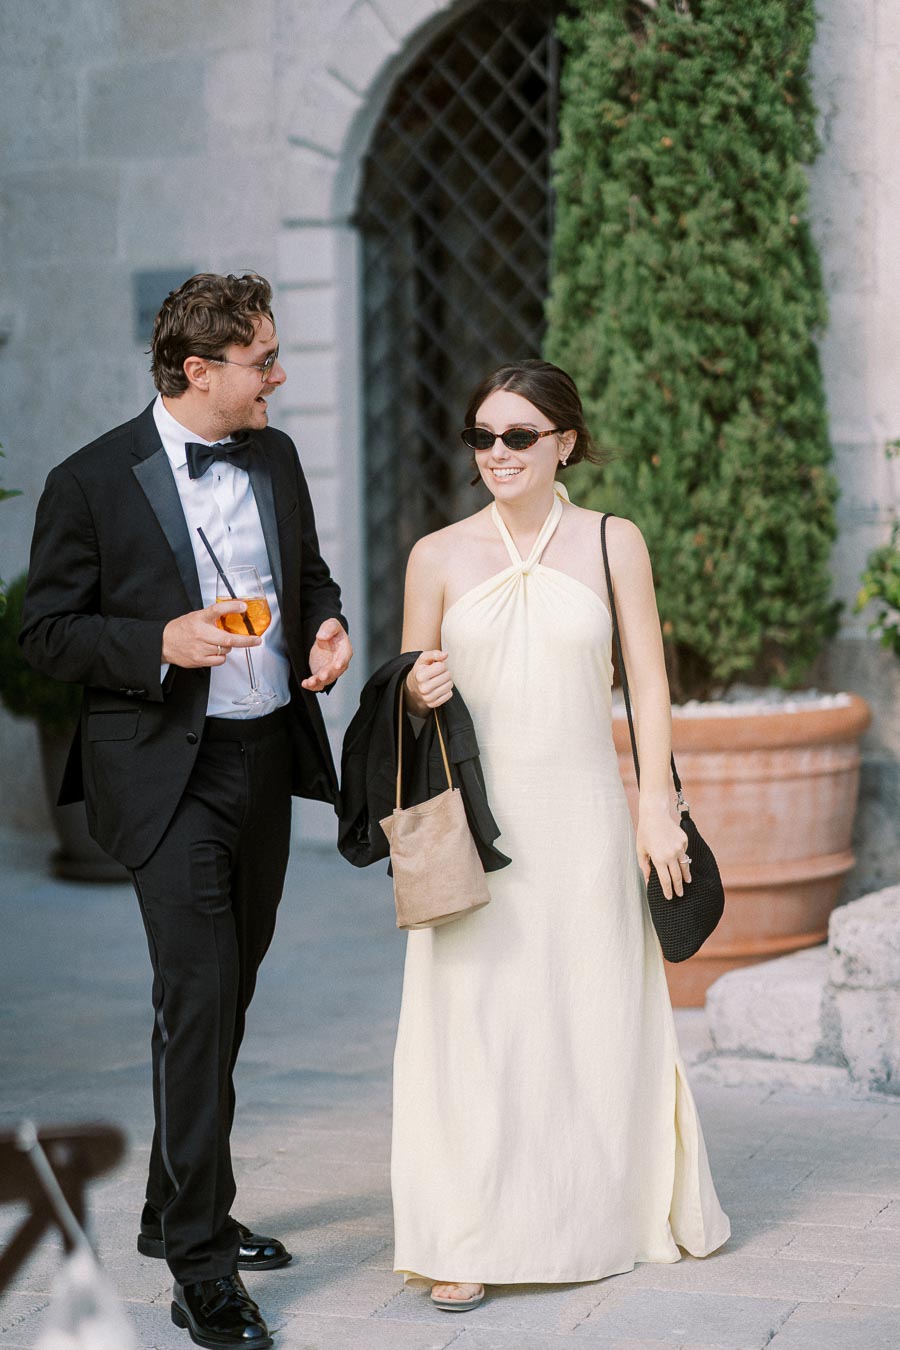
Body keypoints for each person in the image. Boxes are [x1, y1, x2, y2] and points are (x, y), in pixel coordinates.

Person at [20, 272, 352, 1350]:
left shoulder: (277, 455)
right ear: (199, 371)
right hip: (167, 772)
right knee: (200, 1002)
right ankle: (198, 1268)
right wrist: (155, 642)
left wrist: (330, 629)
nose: (280, 374)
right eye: (263, 359)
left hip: (263, 759)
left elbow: (307, 577)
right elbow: (46, 635)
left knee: (226, 993)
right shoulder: (88, 481)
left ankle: (175, 1205)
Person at [392, 359, 730, 1311]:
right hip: (479, 827)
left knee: (587, 1018)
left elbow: (652, 684)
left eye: (518, 437)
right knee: (472, 1027)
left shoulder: (615, 541)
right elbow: (406, 687)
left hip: (583, 816)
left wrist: (655, 804)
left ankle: (596, 1217)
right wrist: (413, 689)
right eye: (482, 437)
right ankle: (460, 1235)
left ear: (564, 444)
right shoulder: (439, 554)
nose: (496, 454)